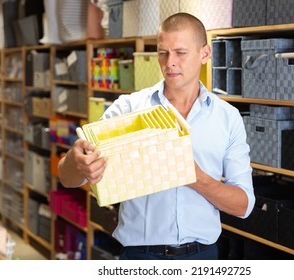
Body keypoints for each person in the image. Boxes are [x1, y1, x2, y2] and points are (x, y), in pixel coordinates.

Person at [58, 12, 255, 260]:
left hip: (201, 257)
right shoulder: (129, 108)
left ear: (204, 54)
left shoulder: (228, 117)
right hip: (139, 258)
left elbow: (244, 205)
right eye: (163, 52)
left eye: (180, 53)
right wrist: (77, 163)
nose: (169, 62)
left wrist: (195, 177)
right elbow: (68, 178)